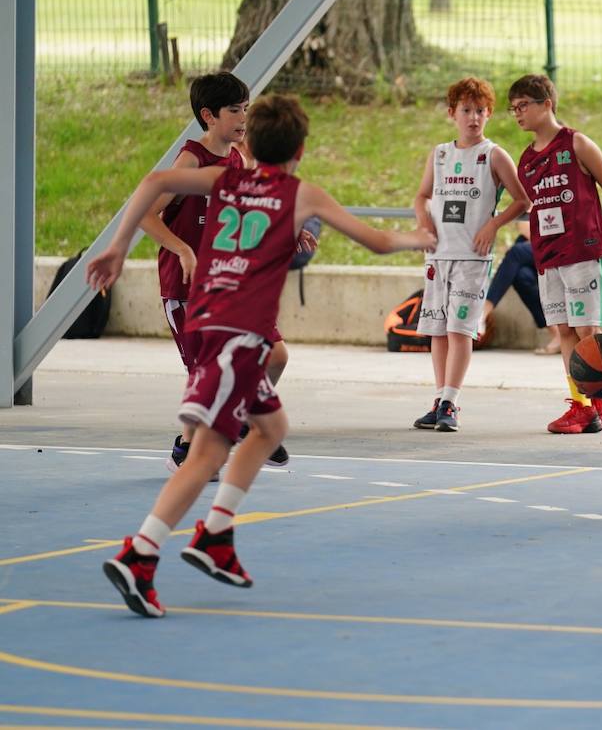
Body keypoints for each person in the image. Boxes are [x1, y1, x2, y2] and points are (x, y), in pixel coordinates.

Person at [87, 94, 434, 618]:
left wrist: (116, 246)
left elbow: (152, 184)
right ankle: (141, 554)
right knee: (206, 454)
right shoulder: (301, 194)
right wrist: (419, 238)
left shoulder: (224, 180)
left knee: (271, 428)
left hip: (212, 321)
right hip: (237, 333)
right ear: (300, 149)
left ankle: (217, 534)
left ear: (251, 141)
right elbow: (379, 241)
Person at [138, 72, 293, 474]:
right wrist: (184, 250)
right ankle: (189, 448)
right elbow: (145, 214)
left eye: (246, 108)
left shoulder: (240, 159)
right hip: (187, 287)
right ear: (209, 116)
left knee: (275, 355)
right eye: (234, 110)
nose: (243, 118)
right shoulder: (191, 159)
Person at [410, 78, 530, 432]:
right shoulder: (441, 154)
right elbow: (421, 196)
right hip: (438, 255)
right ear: (452, 114)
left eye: (480, 111)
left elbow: (522, 200)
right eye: (466, 110)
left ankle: (452, 402)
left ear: (489, 114)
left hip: (472, 258)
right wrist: (422, 222)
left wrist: (493, 225)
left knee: (460, 329)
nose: (473, 118)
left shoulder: (492, 154)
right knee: (438, 330)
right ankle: (439, 397)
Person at [512, 74, 602, 434]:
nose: (518, 113)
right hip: (549, 256)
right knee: (563, 329)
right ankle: (580, 404)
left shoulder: (577, 144)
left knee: (586, 328)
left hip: (583, 251)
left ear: (547, 103)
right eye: (513, 108)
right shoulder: (525, 161)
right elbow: (532, 208)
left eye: (524, 105)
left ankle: (599, 402)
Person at [479, 217, 561, 354]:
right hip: (537, 255)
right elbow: (524, 227)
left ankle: (483, 312)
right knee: (521, 276)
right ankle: (557, 334)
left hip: (557, 248)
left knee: (516, 252)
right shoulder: (531, 196)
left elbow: (533, 233)